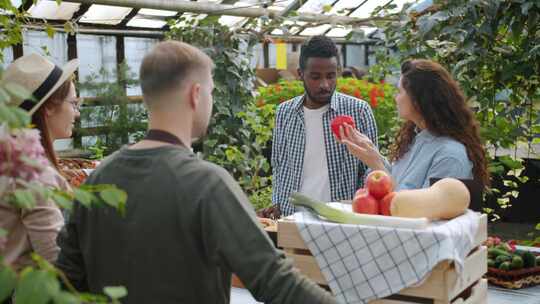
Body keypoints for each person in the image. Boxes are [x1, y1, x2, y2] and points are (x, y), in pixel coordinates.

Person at [55, 41, 336, 304]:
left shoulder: (98, 180)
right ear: (196, 94)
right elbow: (274, 279)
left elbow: (65, 279)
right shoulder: (206, 184)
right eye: (211, 91)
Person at [340, 59, 489, 190]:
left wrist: (376, 165)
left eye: (400, 91)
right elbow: (399, 182)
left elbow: (420, 210)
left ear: (418, 100)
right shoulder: (416, 138)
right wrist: (371, 153)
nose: (395, 98)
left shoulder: (450, 156)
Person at [271, 36, 378, 216]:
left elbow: (371, 170)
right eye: (315, 77)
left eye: (330, 76)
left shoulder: (358, 111)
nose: (324, 84)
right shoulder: (285, 112)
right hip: (294, 217)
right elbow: (279, 165)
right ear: (300, 74)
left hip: (341, 220)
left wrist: (361, 211)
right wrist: (277, 203)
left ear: (338, 71)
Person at [0, 54, 79, 270]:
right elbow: (57, 261)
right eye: (73, 103)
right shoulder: (32, 173)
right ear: (49, 107)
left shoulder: (11, 157)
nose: (77, 113)